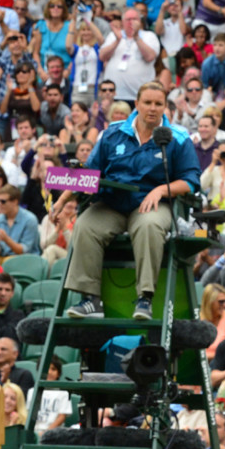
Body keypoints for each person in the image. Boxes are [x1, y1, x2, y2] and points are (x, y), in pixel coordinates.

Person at [60, 82, 200, 320]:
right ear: (137, 104)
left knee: (149, 226)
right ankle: (90, 300)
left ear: (165, 107)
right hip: (112, 203)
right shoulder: (113, 132)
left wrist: (160, 191)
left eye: (158, 104)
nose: (152, 108)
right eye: (147, 102)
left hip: (151, 204)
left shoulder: (177, 137)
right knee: (85, 225)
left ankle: (145, 298)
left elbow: (191, 180)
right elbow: (90, 173)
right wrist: (62, 200)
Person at [100, 9, 160, 104]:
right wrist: (117, 41)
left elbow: (150, 56)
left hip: (139, 96)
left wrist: (136, 37)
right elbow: (102, 56)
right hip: (114, 94)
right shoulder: (113, 36)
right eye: (128, 19)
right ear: (123, 22)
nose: (131, 22)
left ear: (140, 21)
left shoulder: (149, 36)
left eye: (134, 19)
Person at [0, 185, 40, 259]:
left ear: (15, 202)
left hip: (26, 261)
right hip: (3, 260)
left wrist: (6, 239)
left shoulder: (30, 219)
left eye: (3, 201)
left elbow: (24, 251)